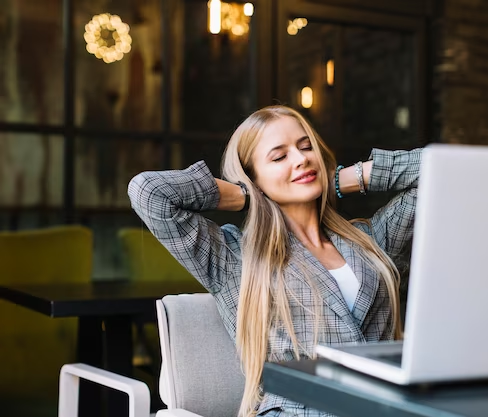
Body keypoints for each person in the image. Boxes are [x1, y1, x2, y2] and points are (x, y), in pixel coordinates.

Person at [128, 105, 421, 416]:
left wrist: (344, 179)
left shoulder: (371, 240)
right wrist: (247, 196)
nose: (301, 159)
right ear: (253, 176)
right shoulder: (235, 258)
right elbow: (148, 192)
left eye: (306, 147)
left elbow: (435, 171)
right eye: (279, 157)